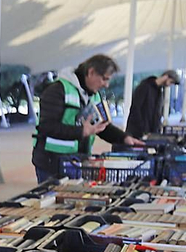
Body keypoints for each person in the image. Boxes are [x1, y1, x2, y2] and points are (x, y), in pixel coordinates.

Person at [32, 54, 145, 182]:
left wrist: (124, 138)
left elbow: (101, 126)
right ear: (91, 72)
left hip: (77, 162)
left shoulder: (94, 96)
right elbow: (46, 126)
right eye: (104, 79)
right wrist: (81, 131)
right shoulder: (57, 90)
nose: (106, 85)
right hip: (51, 163)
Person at [124, 68, 180, 140]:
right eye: (171, 82)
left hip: (150, 132)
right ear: (166, 76)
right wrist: (143, 129)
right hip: (137, 132)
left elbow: (157, 113)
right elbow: (135, 108)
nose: (169, 85)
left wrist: (156, 130)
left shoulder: (160, 91)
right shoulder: (144, 86)